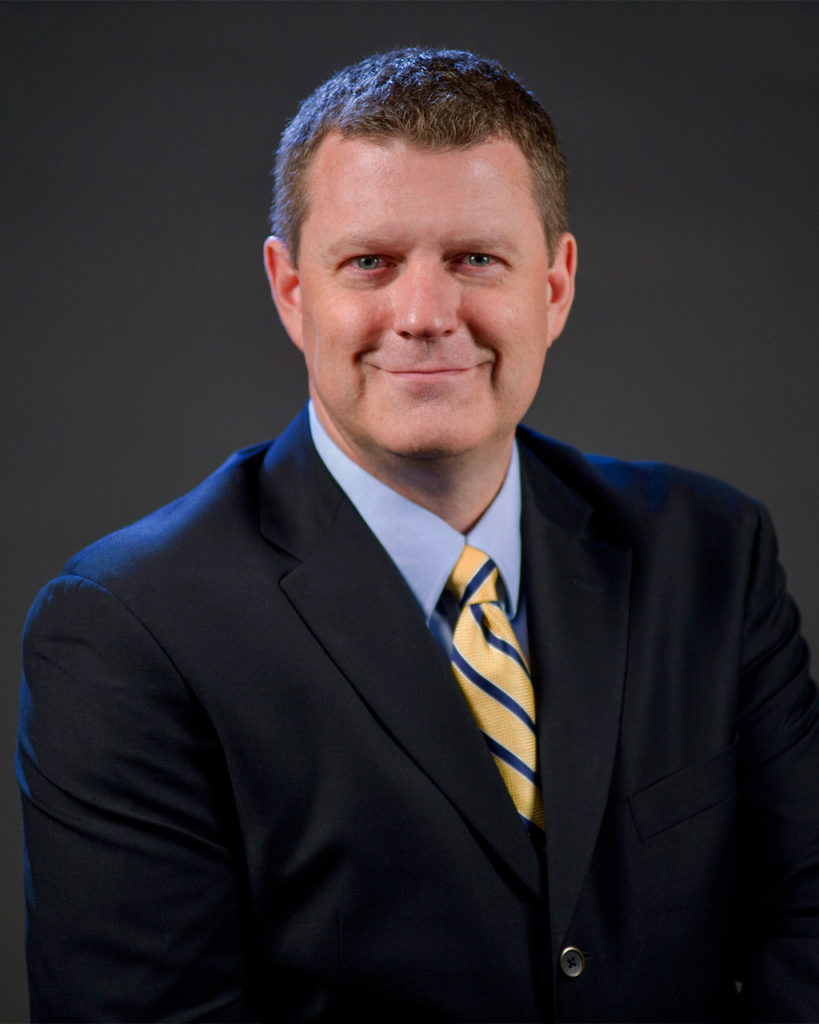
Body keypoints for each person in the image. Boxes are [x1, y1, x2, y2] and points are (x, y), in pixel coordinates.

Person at [16, 47, 819, 1022]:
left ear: (554, 287)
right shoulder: (128, 630)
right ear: (291, 290)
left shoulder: (711, 553)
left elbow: (804, 929)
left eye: (476, 259)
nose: (425, 316)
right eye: (371, 263)